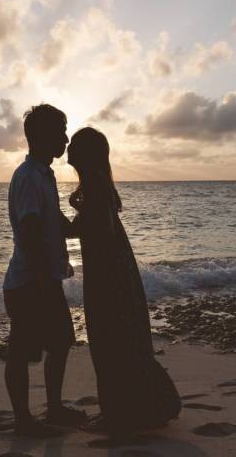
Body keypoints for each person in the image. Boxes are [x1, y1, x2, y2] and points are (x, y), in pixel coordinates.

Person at [67, 127, 181, 436]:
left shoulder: (94, 186)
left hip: (107, 276)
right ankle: (126, 408)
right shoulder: (97, 185)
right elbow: (84, 228)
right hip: (115, 271)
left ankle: (118, 413)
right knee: (117, 341)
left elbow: (97, 230)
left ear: (85, 154)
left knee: (109, 343)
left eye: (74, 144)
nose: (68, 147)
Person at [2, 104, 86, 437]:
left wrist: (91, 222)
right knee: (22, 352)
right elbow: (30, 229)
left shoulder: (44, 175)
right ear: (41, 136)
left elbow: (58, 225)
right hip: (28, 282)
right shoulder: (27, 177)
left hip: (41, 280)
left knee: (61, 341)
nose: (65, 139)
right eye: (60, 132)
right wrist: (42, 281)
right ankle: (23, 419)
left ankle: (52, 409)